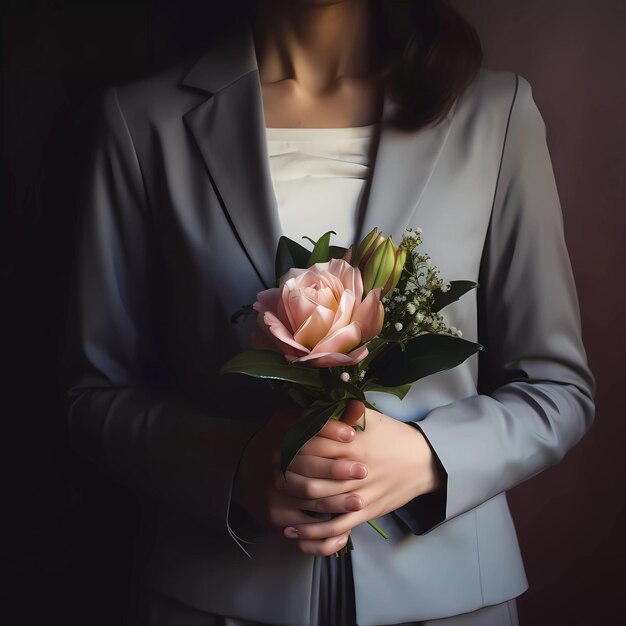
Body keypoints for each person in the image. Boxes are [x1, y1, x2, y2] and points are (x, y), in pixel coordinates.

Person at [63, 1, 596, 625]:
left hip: (451, 600)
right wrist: (235, 466)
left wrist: (430, 457)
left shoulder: (495, 113)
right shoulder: (143, 120)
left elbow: (558, 389)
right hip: (214, 597)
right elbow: (93, 395)